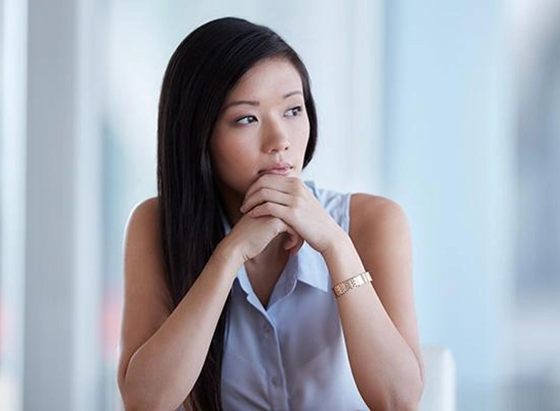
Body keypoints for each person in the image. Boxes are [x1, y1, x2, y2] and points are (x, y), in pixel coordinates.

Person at [117, 17, 423, 411]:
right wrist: (228, 256)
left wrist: (335, 245)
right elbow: (145, 402)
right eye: (247, 118)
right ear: (200, 134)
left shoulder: (374, 221)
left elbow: (399, 401)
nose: (280, 141)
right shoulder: (156, 225)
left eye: (294, 110)